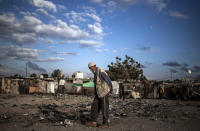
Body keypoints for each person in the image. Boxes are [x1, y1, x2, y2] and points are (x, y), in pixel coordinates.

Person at [86, 62, 113, 128]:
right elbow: (96, 84)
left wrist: (111, 89)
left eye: (90, 68)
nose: (90, 69)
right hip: (98, 93)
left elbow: (108, 80)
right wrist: (95, 93)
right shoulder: (95, 73)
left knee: (104, 108)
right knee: (94, 107)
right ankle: (93, 122)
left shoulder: (101, 71)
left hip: (104, 92)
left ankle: (105, 123)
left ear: (93, 66)